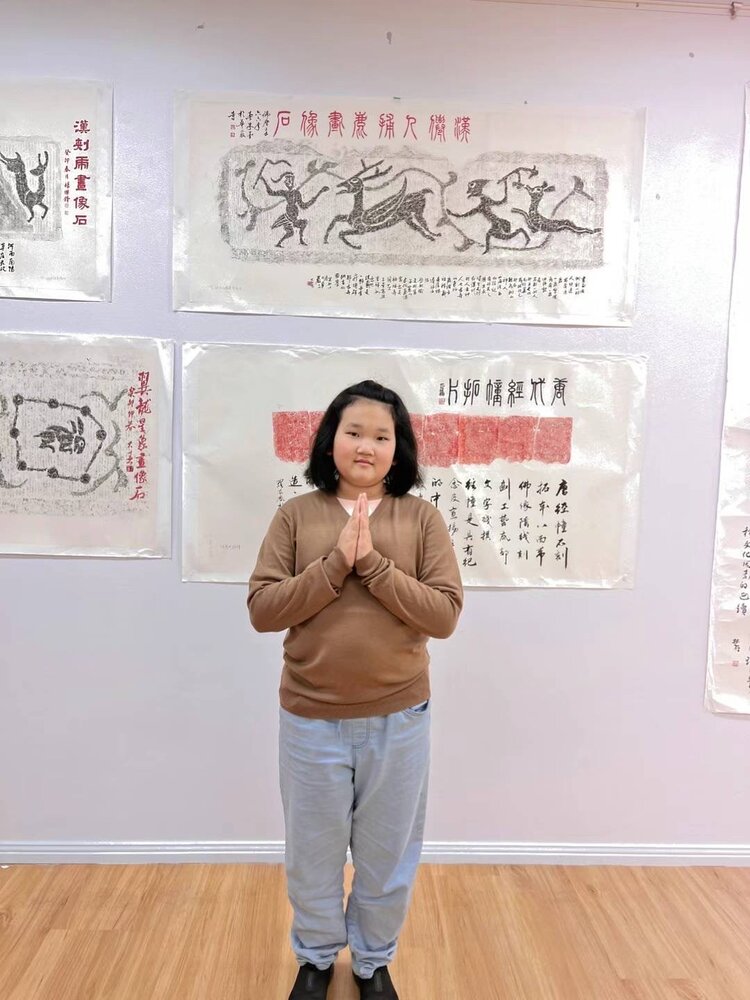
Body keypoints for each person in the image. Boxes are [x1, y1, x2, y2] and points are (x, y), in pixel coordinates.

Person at [247, 380, 463, 1000]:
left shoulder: (420, 518)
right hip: (310, 718)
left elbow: (444, 615)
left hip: (400, 718)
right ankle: (316, 958)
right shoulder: (296, 516)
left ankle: (372, 961)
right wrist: (335, 562)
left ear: (399, 448)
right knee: (312, 855)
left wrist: (371, 563)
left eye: (381, 435)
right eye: (354, 432)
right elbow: (263, 610)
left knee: (388, 856)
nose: (366, 445)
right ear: (330, 440)